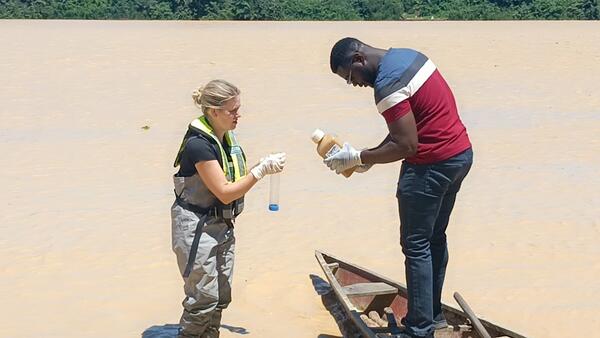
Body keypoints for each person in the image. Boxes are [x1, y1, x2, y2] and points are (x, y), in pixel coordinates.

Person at [325, 38, 473, 338]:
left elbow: (406, 144)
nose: (354, 85)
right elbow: (408, 129)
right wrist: (368, 157)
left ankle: (419, 330)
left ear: (358, 59)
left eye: (350, 78)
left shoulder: (387, 84)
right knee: (434, 239)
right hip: (459, 156)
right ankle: (433, 316)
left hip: (430, 167)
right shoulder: (407, 57)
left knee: (416, 245)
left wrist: (359, 156)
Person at [171, 79, 286, 338]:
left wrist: (263, 165)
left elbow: (234, 179)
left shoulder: (225, 138)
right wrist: (260, 171)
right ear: (213, 112)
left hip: (223, 226)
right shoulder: (198, 144)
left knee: (221, 296)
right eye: (232, 111)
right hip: (196, 227)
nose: (238, 115)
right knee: (203, 300)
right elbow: (224, 192)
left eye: (238, 108)